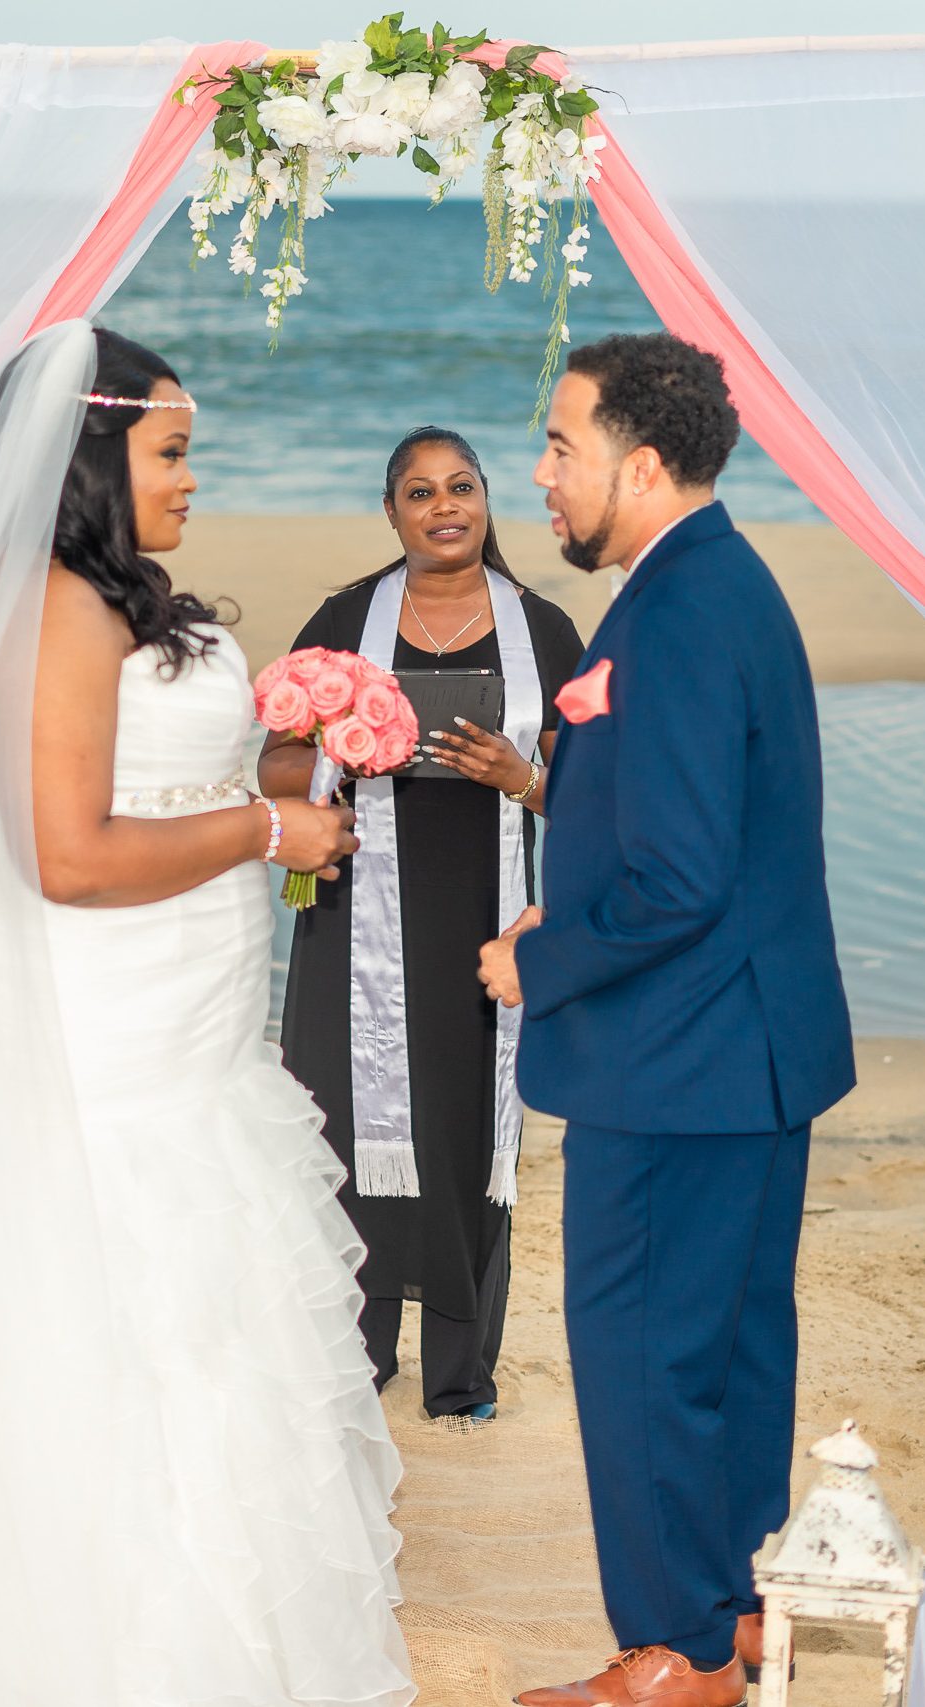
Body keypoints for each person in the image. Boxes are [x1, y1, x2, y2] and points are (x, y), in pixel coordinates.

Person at [0, 322, 416, 1707]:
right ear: (88, 453)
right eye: (171, 451)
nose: (195, 478)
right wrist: (271, 827)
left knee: (196, 1338)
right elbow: (64, 854)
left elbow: (134, 781)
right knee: (140, 1329)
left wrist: (280, 753)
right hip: (112, 1048)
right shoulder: (59, 607)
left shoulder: (95, 595)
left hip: (185, 1030)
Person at [478, 333, 856, 1707]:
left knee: (642, 1356)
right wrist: (560, 909)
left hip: (677, 1058)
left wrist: (542, 959)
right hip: (740, 1049)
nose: (541, 472)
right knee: (730, 1347)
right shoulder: (715, 579)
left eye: (562, 446)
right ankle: (736, 1615)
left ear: (640, 463)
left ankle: (675, 1652)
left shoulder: (681, 608)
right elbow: (692, 842)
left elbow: (679, 875)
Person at [260, 427, 583, 1424]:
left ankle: (458, 1375)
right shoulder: (345, 618)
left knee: (462, 1139)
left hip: (481, 925)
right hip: (356, 911)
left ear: (487, 500)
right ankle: (356, 1362)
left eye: (462, 487)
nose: (444, 508)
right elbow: (273, 766)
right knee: (344, 1132)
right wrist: (336, 762)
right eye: (418, 492)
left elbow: (596, 794)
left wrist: (518, 774)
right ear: (390, 512)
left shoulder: (547, 631)